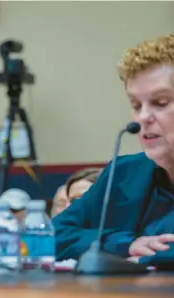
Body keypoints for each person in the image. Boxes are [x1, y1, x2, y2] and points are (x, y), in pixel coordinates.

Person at [53, 34, 174, 262]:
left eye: (160, 103)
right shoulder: (123, 172)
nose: (143, 117)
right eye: (136, 105)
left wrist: (146, 258)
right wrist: (123, 245)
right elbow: (54, 234)